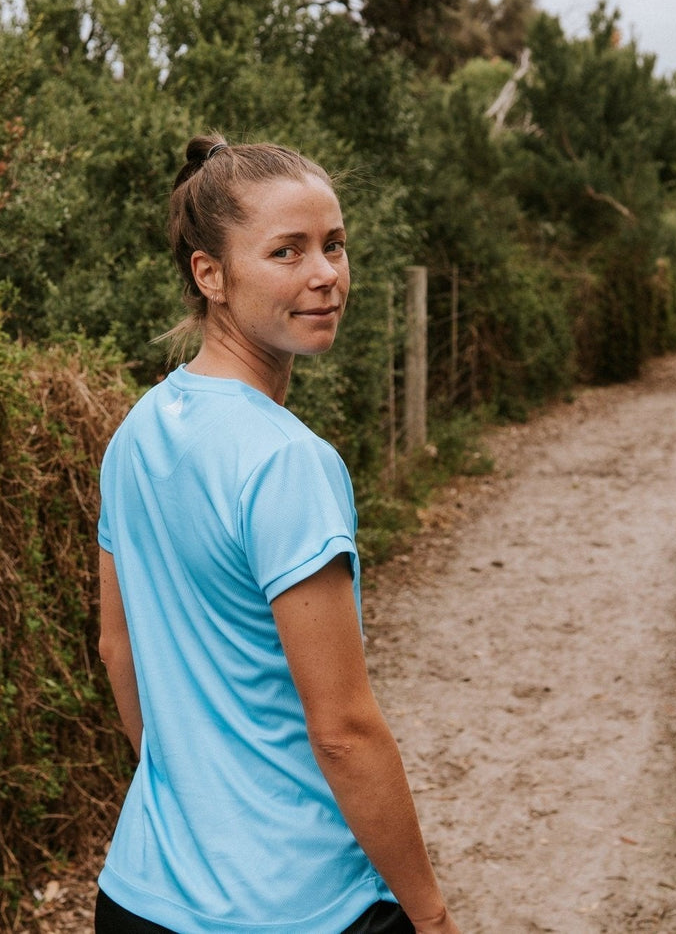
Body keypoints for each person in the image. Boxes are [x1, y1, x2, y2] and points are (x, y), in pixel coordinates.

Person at [95, 135, 461, 934]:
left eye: (333, 244)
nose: (325, 273)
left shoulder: (137, 430)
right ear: (210, 275)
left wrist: (196, 794)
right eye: (286, 251)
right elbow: (342, 731)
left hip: (142, 895)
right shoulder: (287, 462)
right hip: (299, 907)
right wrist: (430, 916)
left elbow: (117, 650)